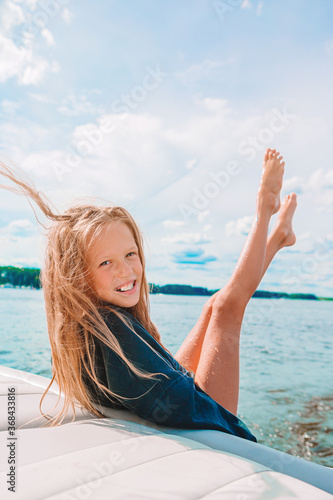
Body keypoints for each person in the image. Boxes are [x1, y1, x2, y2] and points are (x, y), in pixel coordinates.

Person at [0, 148, 297, 442]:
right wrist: (263, 206)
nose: (126, 271)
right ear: (76, 277)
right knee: (225, 307)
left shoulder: (89, 325)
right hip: (210, 429)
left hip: (172, 405)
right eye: (106, 263)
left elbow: (163, 387)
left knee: (210, 307)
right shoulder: (110, 330)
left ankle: (277, 238)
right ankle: (264, 208)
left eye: (130, 254)